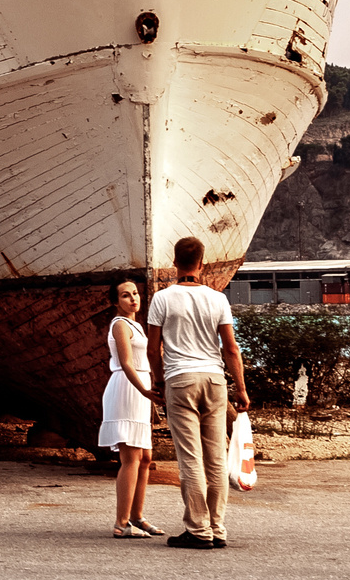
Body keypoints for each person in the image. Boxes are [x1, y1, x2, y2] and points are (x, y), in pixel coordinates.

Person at [145, 236, 249, 550]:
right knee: (216, 457)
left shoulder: (162, 299)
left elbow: (153, 349)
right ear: (202, 264)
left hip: (181, 380)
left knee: (190, 458)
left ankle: (198, 529)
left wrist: (159, 382)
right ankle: (217, 529)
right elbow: (230, 348)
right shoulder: (218, 299)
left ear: (174, 263)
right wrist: (241, 388)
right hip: (215, 381)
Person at [99, 280, 161, 538]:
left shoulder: (135, 324)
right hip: (127, 389)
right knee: (131, 458)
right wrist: (144, 390)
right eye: (125, 295)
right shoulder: (120, 324)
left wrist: (150, 391)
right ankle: (121, 522)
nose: (133, 299)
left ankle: (137, 516)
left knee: (145, 458)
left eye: (135, 294)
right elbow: (126, 363)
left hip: (140, 391)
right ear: (116, 301)